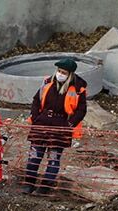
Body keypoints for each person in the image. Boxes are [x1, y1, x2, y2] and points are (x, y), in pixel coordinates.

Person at [23, 57, 87, 196]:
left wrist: (69, 125)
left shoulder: (78, 89)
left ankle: (44, 188)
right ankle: (29, 184)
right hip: (41, 123)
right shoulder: (47, 83)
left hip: (61, 126)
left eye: (63, 72)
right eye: (59, 71)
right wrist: (35, 118)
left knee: (53, 158)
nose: (60, 74)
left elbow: (81, 110)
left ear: (70, 74)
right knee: (34, 156)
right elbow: (36, 100)